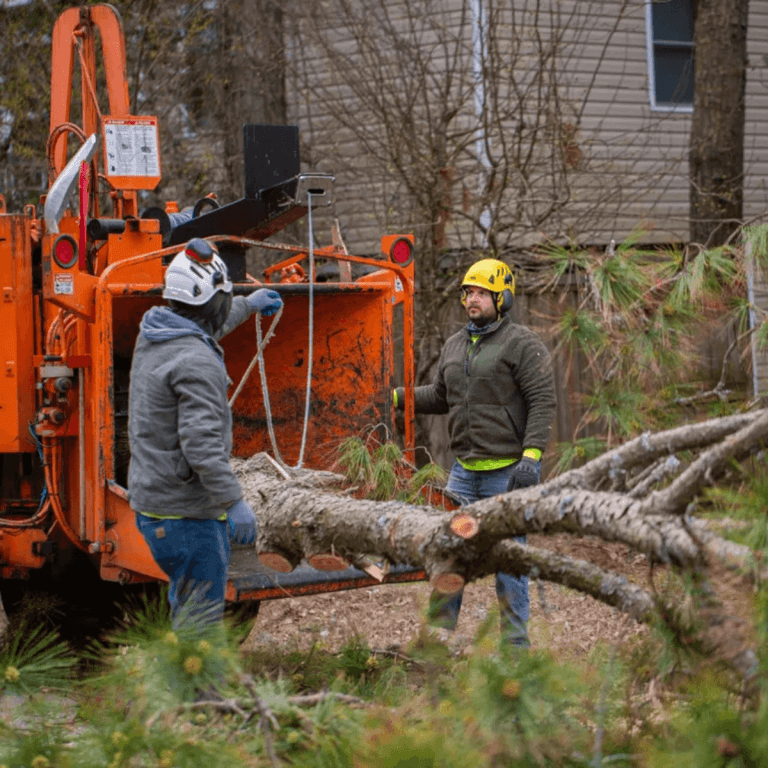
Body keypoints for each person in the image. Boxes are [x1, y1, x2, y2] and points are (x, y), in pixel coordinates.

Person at [395, 258, 556, 648]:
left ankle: (515, 650)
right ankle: (438, 642)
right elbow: (440, 397)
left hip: (507, 473)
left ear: (503, 299)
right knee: (450, 556)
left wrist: (531, 457)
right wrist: (398, 398)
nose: (473, 299)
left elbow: (542, 401)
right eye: (469, 292)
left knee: (508, 562)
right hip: (464, 474)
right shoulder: (454, 345)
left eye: (483, 293)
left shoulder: (521, 343)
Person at [127, 237, 283, 629]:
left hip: (153, 507)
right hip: (187, 515)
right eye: (224, 298)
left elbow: (201, 327)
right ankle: (197, 673)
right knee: (200, 625)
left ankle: (181, 669)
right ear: (212, 302)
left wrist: (249, 304)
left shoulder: (155, 335)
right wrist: (233, 501)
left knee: (186, 608)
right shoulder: (198, 362)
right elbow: (201, 445)